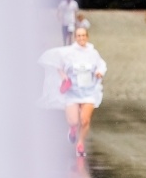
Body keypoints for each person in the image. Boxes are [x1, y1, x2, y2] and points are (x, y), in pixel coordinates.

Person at [38, 27, 107, 156]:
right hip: (72, 92)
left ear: (87, 37)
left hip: (89, 91)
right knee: (74, 121)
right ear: (75, 37)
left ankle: (80, 144)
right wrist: (64, 77)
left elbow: (101, 65)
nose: (81, 38)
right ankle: (73, 129)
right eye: (79, 36)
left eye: (83, 35)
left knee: (85, 120)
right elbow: (58, 64)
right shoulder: (68, 53)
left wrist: (99, 73)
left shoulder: (93, 53)